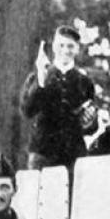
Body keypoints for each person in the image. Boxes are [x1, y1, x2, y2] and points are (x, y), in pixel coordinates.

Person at [20, 25, 98, 171]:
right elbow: (27, 111)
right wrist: (41, 81)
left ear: (77, 49)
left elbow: (92, 127)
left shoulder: (85, 82)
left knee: (72, 193)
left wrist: (89, 122)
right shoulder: (36, 78)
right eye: (61, 45)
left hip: (73, 155)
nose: (65, 50)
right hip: (42, 154)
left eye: (70, 46)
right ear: (54, 47)